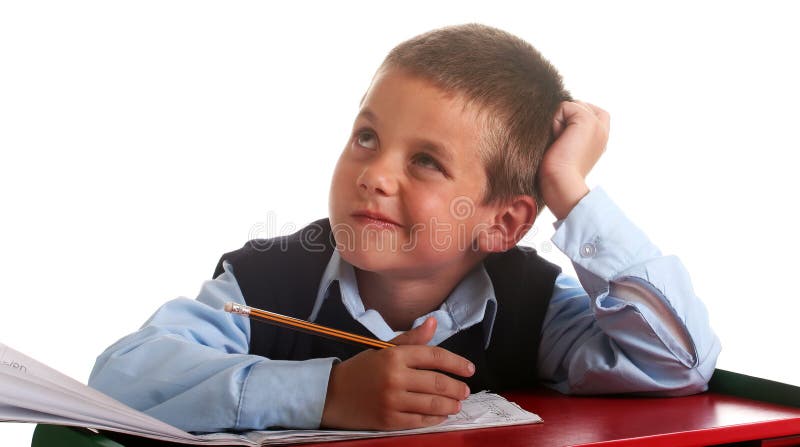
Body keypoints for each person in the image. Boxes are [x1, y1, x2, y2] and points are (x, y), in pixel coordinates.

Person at [88, 23, 721, 433]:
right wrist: (327, 394)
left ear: (501, 225)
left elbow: (674, 362)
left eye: (425, 161)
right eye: (367, 138)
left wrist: (570, 191)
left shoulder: (530, 306)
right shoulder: (265, 281)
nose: (374, 176)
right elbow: (123, 375)